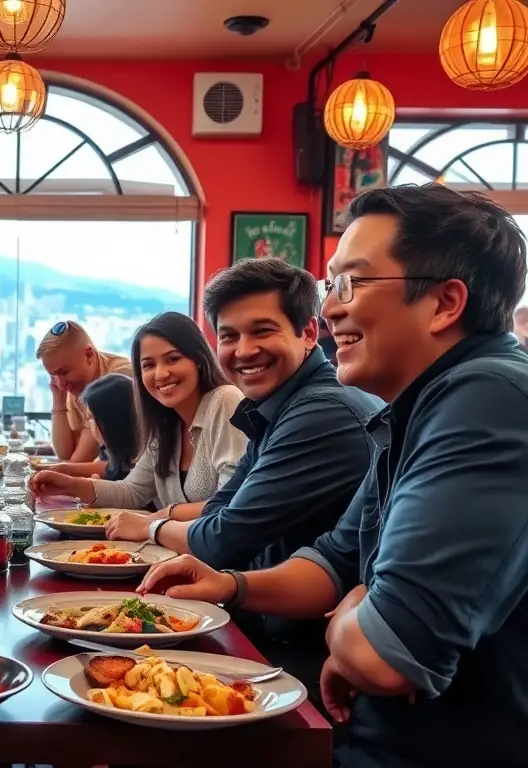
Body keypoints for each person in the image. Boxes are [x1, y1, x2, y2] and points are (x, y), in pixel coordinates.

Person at [139, 184, 528, 768]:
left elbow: (382, 657)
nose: (331, 308)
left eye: (352, 283)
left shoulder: (488, 397)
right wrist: (232, 586)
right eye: (330, 286)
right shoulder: (411, 405)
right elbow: (331, 562)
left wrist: (354, 615)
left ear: (445, 303)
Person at [31, 313, 247, 518]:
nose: (161, 374)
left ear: (198, 359)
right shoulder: (164, 422)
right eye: (149, 365)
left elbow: (231, 504)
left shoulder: (224, 400)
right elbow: (133, 491)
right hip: (169, 552)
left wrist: (158, 519)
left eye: (172, 359)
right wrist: (70, 485)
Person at [37, 320, 133, 466]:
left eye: (64, 372)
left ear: (89, 355)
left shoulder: (118, 379)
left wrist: (56, 472)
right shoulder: (74, 387)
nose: (60, 383)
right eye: (52, 375)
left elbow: (80, 461)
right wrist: (58, 400)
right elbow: (65, 453)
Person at [46, 373, 141, 482]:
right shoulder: (114, 450)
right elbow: (108, 467)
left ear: (111, 420)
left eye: (90, 418)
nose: (89, 425)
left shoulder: (139, 461)